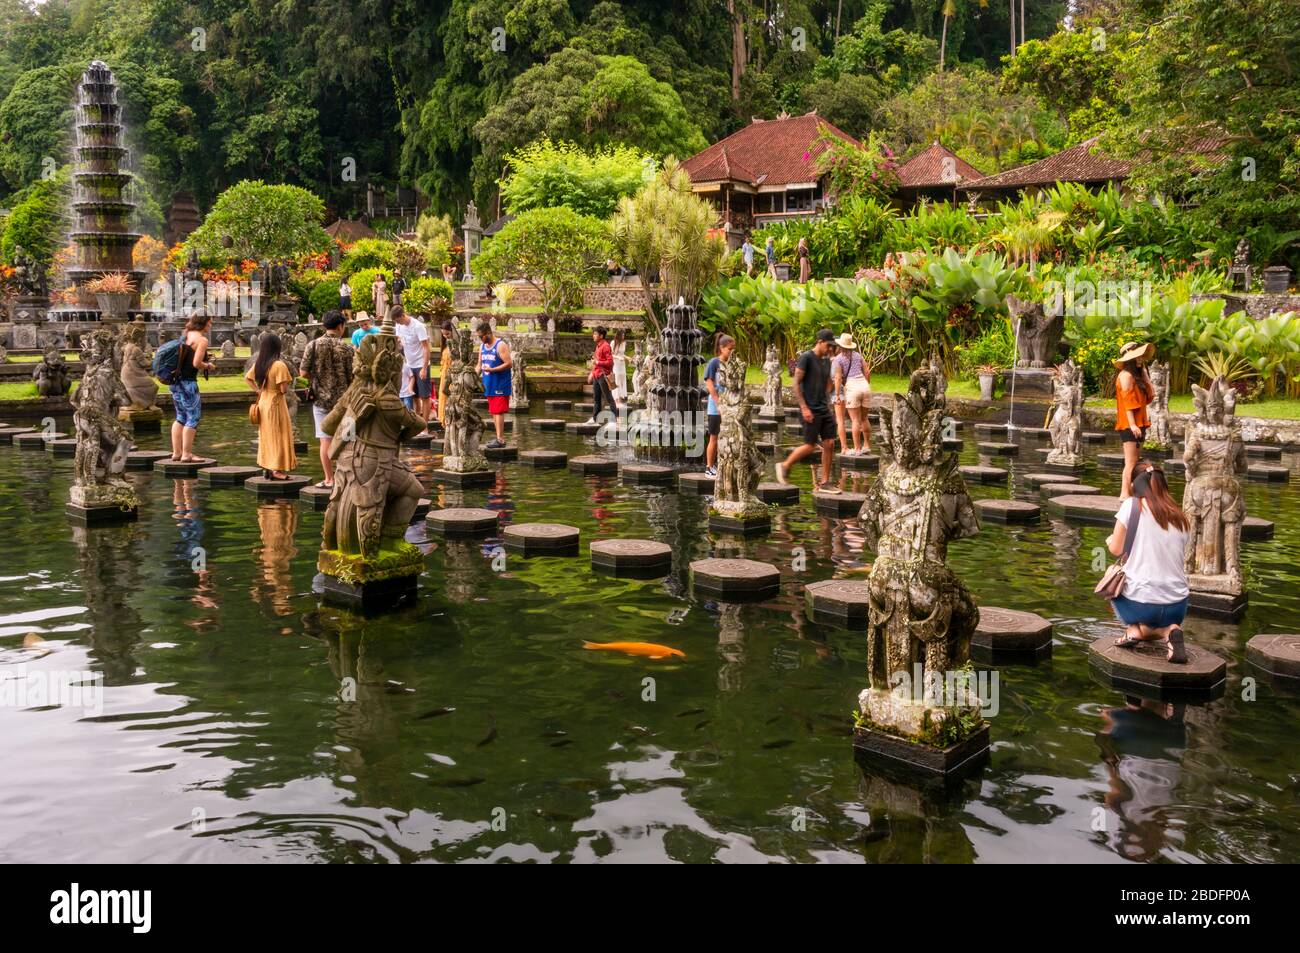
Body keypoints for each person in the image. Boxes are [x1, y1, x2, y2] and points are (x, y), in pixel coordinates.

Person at [1107, 461, 1191, 664]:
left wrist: (1110, 540)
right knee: (1163, 616)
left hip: (1141, 605)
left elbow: (1116, 550)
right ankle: (1170, 630)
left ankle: (1136, 630)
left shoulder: (1131, 506)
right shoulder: (1180, 516)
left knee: (1111, 572)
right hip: (1177, 607)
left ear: (1135, 485)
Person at [775, 328, 838, 491]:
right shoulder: (806, 358)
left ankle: (825, 482)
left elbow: (828, 387)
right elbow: (795, 383)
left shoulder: (826, 361)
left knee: (829, 443)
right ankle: (785, 465)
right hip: (809, 409)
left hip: (824, 408)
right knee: (810, 446)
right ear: (820, 342)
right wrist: (804, 407)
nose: (830, 348)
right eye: (828, 345)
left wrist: (835, 380)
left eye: (832, 346)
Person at [299, 310, 354, 488]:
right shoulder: (347, 348)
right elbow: (354, 376)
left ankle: (329, 479)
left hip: (320, 400)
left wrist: (318, 378)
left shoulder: (313, 345)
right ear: (340, 326)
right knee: (348, 440)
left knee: (325, 441)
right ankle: (347, 478)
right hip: (344, 402)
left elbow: (303, 372)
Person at [245, 332, 298, 480]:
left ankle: (268, 466)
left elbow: (248, 378)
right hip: (276, 402)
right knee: (279, 434)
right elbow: (283, 389)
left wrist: (258, 390)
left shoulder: (260, 363)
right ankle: (276, 469)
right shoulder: (279, 365)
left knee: (267, 435)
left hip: (264, 401)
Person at [169, 315, 215, 463]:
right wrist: (208, 365)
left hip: (175, 382)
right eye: (209, 323)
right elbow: (196, 363)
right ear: (203, 323)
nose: (210, 326)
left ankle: (177, 453)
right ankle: (187, 454)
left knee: (180, 417)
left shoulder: (186, 334)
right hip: (188, 383)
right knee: (193, 418)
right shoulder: (202, 340)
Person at [1115, 341, 1156, 498]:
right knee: (1131, 462)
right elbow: (1128, 403)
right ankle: (1124, 493)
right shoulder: (1125, 376)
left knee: (1134, 460)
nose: (1141, 359)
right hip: (1130, 425)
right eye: (1138, 357)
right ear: (1131, 358)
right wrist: (1132, 425)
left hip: (1138, 424)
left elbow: (1150, 397)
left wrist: (1145, 374)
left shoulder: (1135, 376)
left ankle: (1128, 492)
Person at [703, 334, 735, 477]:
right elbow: (709, 384)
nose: (732, 352)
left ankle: (723, 465)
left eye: (733, 349)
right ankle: (709, 467)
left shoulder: (731, 365)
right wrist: (719, 404)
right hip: (715, 409)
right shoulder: (714, 363)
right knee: (714, 438)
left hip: (729, 407)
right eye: (730, 349)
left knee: (728, 438)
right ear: (721, 348)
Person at [477, 322, 512, 447]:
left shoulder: (500, 345)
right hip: (489, 383)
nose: (480, 339)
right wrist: (474, 376)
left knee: (499, 411)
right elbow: (479, 364)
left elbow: (509, 363)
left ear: (488, 333)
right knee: (493, 411)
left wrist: (492, 370)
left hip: (500, 383)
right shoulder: (482, 347)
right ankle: (498, 437)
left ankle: (501, 439)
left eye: (481, 336)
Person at [836, 331, 871, 453]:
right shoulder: (858, 356)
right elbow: (867, 372)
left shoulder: (838, 359)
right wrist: (867, 385)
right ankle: (867, 446)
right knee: (864, 418)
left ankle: (857, 449)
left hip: (852, 387)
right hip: (865, 386)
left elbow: (838, 378)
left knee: (855, 420)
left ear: (840, 346)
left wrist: (837, 394)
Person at [393, 306, 431, 418]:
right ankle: (417, 422)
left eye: (398, 320)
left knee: (425, 396)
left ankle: (425, 426)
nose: (398, 323)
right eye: (396, 322)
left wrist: (424, 368)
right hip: (409, 364)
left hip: (421, 364)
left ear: (403, 315)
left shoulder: (418, 326)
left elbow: (426, 348)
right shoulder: (398, 325)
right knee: (413, 396)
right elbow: (399, 340)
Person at [587, 326, 616, 423]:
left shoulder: (606, 346)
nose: (593, 336)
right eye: (594, 333)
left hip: (603, 376)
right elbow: (596, 361)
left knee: (609, 399)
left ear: (601, 335)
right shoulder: (598, 345)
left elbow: (610, 362)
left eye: (595, 334)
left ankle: (615, 420)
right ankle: (595, 419)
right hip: (596, 375)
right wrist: (592, 373)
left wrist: (598, 362)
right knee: (596, 399)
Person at [829, 342, 849, 455]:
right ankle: (844, 447)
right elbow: (838, 378)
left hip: (826, 391)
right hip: (837, 391)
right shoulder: (838, 361)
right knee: (840, 420)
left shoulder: (826, 360)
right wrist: (837, 395)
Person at [435, 320, 454, 428]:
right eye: (443, 334)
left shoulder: (456, 346)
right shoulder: (445, 346)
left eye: (447, 334)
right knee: (443, 399)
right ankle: (445, 423)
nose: (445, 336)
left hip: (453, 377)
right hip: (444, 376)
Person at [611, 328, 629, 407]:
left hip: (622, 365)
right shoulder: (613, 343)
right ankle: (616, 399)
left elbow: (622, 354)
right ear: (619, 335)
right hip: (616, 364)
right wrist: (618, 358)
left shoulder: (624, 343)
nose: (623, 336)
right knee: (617, 380)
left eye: (624, 335)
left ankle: (621, 398)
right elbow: (611, 354)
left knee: (622, 380)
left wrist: (627, 357)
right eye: (622, 335)